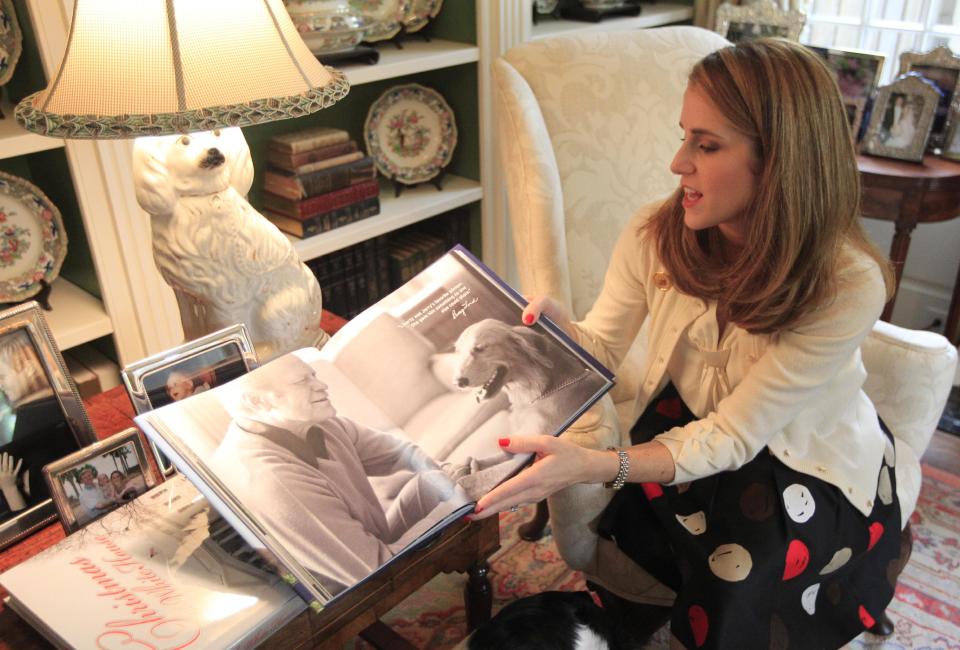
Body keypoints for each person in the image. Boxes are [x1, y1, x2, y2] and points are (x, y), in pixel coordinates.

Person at [473, 38, 901, 650]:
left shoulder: (846, 280)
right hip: (699, 423)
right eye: (685, 137)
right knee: (641, 531)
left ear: (780, 159)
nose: (678, 163)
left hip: (804, 457)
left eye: (706, 145)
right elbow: (603, 347)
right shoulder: (657, 231)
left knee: (743, 571)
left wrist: (599, 464)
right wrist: (563, 330)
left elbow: (735, 436)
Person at [209, 353, 472, 597]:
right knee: (463, 495)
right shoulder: (269, 480)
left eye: (314, 375)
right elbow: (375, 571)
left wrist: (447, 476)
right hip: (335, 592)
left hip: (368, 547)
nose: (322, 385)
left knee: (442, 481)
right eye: (303, 381)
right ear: (256, 402)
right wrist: (454, 504)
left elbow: (400, 453)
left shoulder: (317, 422)